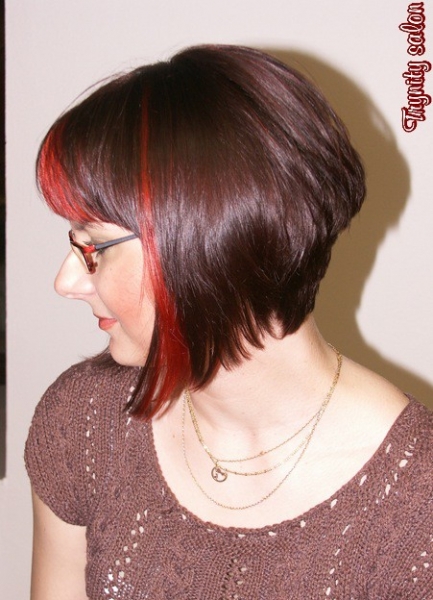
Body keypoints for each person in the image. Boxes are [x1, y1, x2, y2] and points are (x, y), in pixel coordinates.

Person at [25, 44, 432, 599]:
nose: (66, 282)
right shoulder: (86, 421)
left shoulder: (415, 505)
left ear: (209, 243)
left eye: (93, 246)